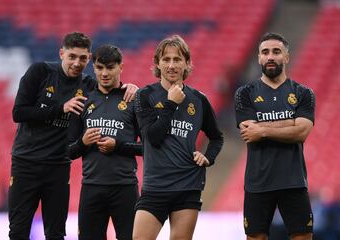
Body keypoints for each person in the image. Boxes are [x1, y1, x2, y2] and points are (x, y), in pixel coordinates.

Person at [9, 32, 138, 240]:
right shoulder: (39, 72)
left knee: (56, 233)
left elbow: (109, 86)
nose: (77, 63)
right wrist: (61, 108)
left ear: (88, 59)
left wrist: (130, 86)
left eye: (82, 58)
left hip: (59, 166)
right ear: (62, 53)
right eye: (72, 56)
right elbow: (19, 113)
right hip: (26, 162)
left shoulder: (87, 85)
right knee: (18, 230)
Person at [133, 35, 224, 240]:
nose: (172, 65)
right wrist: (171, 104)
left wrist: (208, 156)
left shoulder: (199, 100)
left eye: (177, 59)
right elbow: (152, 138)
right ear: (157, 63)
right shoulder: (145, 95)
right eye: (166, 59)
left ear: (187, 63)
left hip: (188, 185)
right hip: (156, 186)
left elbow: (217, 137)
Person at [234, 32, 316, 240]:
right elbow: (248, 131)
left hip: (294, 181)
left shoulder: (303, 93)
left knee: (303, 237)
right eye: (265, 52)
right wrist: (291, 122)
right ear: (259, 58)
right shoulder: (244, 93)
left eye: (276, 52)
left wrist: (262, 129)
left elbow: (302, 132)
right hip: (257, 182)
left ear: (286, 57)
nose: (270, 56)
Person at [67, 44, 142, 240]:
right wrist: (83, 143)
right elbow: (68, 151)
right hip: (92, 187)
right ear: (94, 67)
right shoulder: (83, 102)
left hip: (125, 188)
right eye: (100, 68)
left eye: (110, 67)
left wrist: (118, 146)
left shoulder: (134, 101)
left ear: (121, 67)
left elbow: (148, 147)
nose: (105, 73)